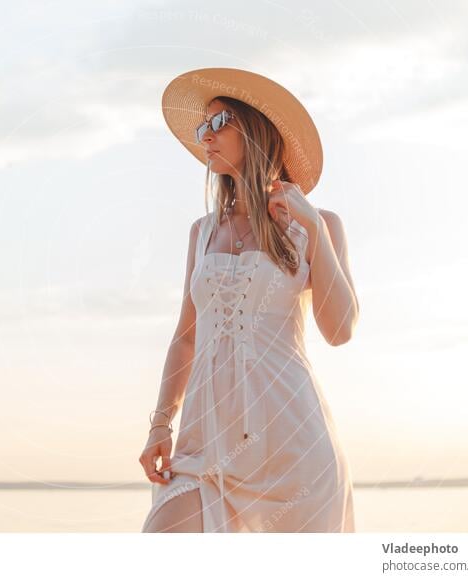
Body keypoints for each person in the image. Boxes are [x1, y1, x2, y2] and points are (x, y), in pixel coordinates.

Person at [138, 68, 359, 533]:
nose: (207, 137)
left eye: (220, 122)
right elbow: (185, 338)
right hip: (206, 444)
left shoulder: (319, 224)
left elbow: (339, 332)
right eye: (203, 128)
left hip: (293, 446)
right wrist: (161, 424)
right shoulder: (201, 234)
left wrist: (315, 230)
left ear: (258, 130)